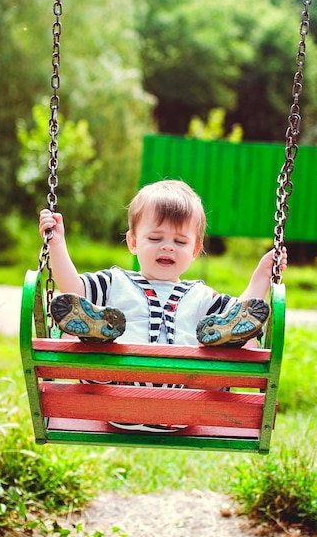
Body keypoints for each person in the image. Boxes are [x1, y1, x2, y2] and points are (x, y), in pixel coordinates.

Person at [39, 179, 287, 432]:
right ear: (133, 242)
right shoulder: (116, 282)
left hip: (186, 403)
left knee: (220, 352)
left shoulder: (199, 295)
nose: (168, 246)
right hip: (116, 397)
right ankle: (97, 337)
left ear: (195, 249)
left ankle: (225, 341)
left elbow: (243, 311)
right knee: (98, 360)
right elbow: (74, 291)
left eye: (180, 242)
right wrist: (57, 244)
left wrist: (262, 277)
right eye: (156, 238)